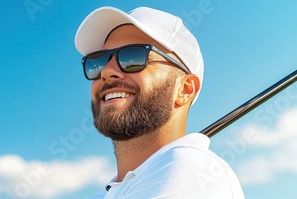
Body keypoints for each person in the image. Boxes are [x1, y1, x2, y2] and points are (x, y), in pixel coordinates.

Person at [74, 6, 245, 199]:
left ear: (185, 90)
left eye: (133, 57)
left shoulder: (191, 170)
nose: (106, 71)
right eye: (99, 61)